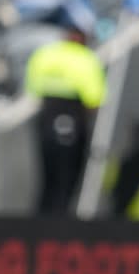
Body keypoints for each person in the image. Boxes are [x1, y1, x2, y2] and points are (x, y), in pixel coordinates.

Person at [24, 20, 106, 214]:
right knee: (67, 176)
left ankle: (40, 224)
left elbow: (32, 88)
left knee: (47, 175)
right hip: (73, 116)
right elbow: (94, 99)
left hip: (46, 116)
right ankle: (60, 226)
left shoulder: (44, 54)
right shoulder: (86, 58)